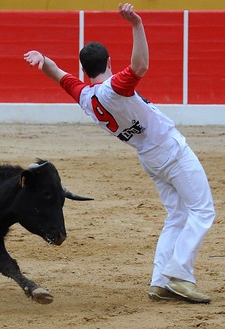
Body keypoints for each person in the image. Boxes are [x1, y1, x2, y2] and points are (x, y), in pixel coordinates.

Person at [24, 3, 215, 303]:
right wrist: (136, 25)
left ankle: (160, 281)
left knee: (177, 215)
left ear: (84, 71)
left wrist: (43, 58)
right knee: (203, 211)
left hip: (150, 158)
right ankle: (180, 275)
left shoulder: (85, 97)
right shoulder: (114, 89)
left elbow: (58, 74)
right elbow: (140, 66)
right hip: (171, 151)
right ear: (110, 62)